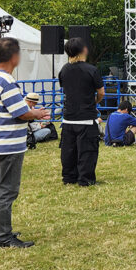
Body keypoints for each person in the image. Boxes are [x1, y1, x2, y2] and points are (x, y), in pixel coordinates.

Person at [0, 37, 51, 248]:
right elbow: (20, 112)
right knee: (8, 189)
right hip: (9, 142)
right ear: (14, 57)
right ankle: (4, 237)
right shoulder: (6, 80)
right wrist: (37, 113)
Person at [57, 36, 104, 187]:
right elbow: (101, 92)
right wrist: (94, 102)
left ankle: (69, 177)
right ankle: (85, 179)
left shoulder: (64, 70)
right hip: (86, 117)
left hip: (68, 117)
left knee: (68, 150)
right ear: (84, 50)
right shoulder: (92, 70)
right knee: (87, 150)